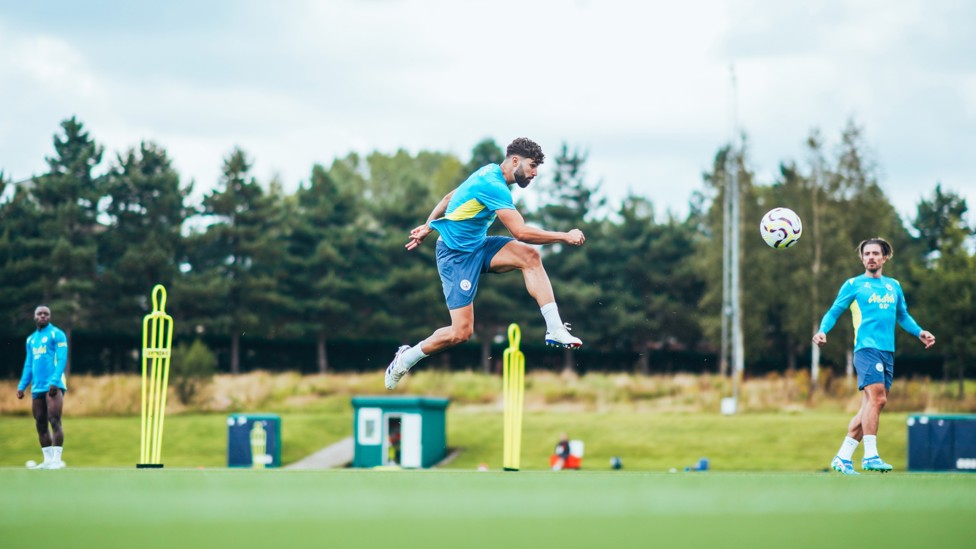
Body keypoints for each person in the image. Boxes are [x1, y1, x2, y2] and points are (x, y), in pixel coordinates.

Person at [385, 137, 585, 390]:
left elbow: (448, 198)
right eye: (532, 166)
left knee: (530, 257)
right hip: (455, 256)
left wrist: (428, 225)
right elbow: (520, 232)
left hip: (478, 246)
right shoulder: (492, 184)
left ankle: (555, 328)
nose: (535, 173)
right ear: (515, 161)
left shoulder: (490, 172)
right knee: (461, 333)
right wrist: (564, 236)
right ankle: (405, 359)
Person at [813, 238, 935, 475]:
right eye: (866, 253)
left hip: (887, 351)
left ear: (884, 257)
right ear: (862, 258)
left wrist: (919, 331)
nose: (870, 257)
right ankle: (871, 455)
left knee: (871, 406)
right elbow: (833, 311)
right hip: (866, 349)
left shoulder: (893, 286)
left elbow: (903, 316)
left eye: (875, 253)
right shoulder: (853, 285)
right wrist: (822, 331)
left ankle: (842, 457)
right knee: (877, 400)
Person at [17, 305, 70, 469]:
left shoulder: (57, 334)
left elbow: (62, 359)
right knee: (40, 423)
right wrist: (22, 385)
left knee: (54, 419)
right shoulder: (31, 339)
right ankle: (47, 461)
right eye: (39, 314)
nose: (43, 316)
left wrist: (54, 381)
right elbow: (29, 364)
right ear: (34, 317)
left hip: (54, 385)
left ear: (50, 316)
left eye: (46, 314)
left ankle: (57, 461)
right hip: (37, 387)